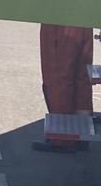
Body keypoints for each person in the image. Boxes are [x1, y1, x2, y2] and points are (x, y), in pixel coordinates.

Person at [32, 23, 95, 153]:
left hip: (60, 20)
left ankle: (63, 139)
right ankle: (83, 135)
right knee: (82, 78)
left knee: (59, 76)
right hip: (85, 19)